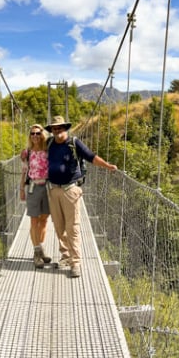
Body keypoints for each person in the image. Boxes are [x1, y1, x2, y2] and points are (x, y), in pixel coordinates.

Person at [44, 115, 117, 278]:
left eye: (60, 127)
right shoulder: (48, 144)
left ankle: (75, 262)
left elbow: (91, 157)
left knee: (73, 228)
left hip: (70, 189)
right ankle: (66, 256)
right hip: (53, 190)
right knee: (59, 227)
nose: (57, 130)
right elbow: (37, 156)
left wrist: (107, 166)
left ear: (65, 128)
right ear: (52, 130)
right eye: (54, 128)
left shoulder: (74, 143)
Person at [19, 124, 52, 269]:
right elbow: (24, 172)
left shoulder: (48, 150)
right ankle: (37, 253)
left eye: (38, 133)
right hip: (33, 187)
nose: (35, 136)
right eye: (32, 134)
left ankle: (41, 248)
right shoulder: (27, 153)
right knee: (34, 221)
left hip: (47, 187)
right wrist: (21, 189)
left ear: (42, 134)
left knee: (44, 220)